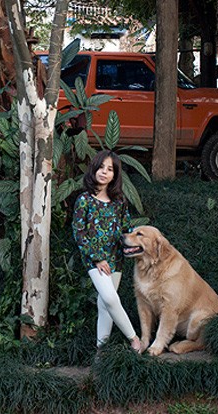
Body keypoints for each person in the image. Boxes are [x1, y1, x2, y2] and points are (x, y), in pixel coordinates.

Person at [72, 149, 141, 351]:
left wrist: (138, 247)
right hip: (95, 260)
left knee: (105, 305)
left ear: (115, 175)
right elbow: (79, 232)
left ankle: (101, 353)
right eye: (101, 167)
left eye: (110, 169)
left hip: (116, 259)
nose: (104, 172)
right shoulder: (84, 200)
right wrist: (97, 258)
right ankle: (134, 339)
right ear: (93, 170)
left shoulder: (119, 202)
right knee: (111, 298)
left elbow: (127, 229)